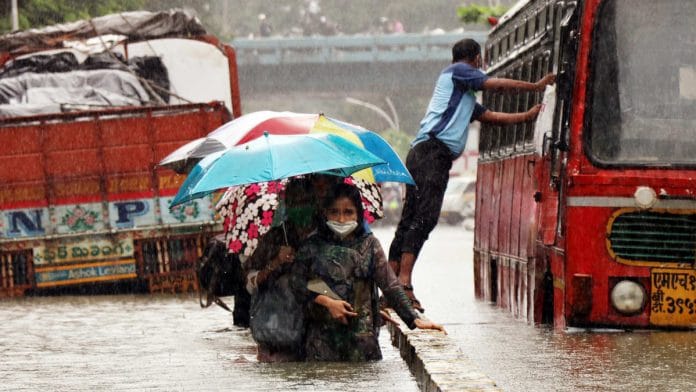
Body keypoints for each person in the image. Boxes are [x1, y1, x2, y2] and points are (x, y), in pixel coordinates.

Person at [388, 38, 556, 312]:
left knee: (410, 220)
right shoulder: (457, 72)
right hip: (432, 153)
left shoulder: (462, 96)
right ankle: (404, 284)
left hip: (423, 153)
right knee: (424, 218)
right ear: (477, 59)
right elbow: (496, 85)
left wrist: (528, 115)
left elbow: (492, 116)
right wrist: (537, 86)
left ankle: (391, 287)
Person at [297, 183, 445, 362]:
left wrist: (414, 319)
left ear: (359, 214)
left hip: (362, 341)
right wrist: (327, 301)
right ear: (325, 213)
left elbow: (389, 284)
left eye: (348, 212)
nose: (341, 219)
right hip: (321, 342)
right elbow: (298, 285)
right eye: (334, 212)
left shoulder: (370, 245)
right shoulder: (311, 247)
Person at [244, 178, 317, 362]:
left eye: (306, 202)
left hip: (315, 336)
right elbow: (251, 284)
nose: (301, 207)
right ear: (287, 205)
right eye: (295, 202)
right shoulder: (274, 238)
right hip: (277, 334)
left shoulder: (324, 236)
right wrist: (276, 262)